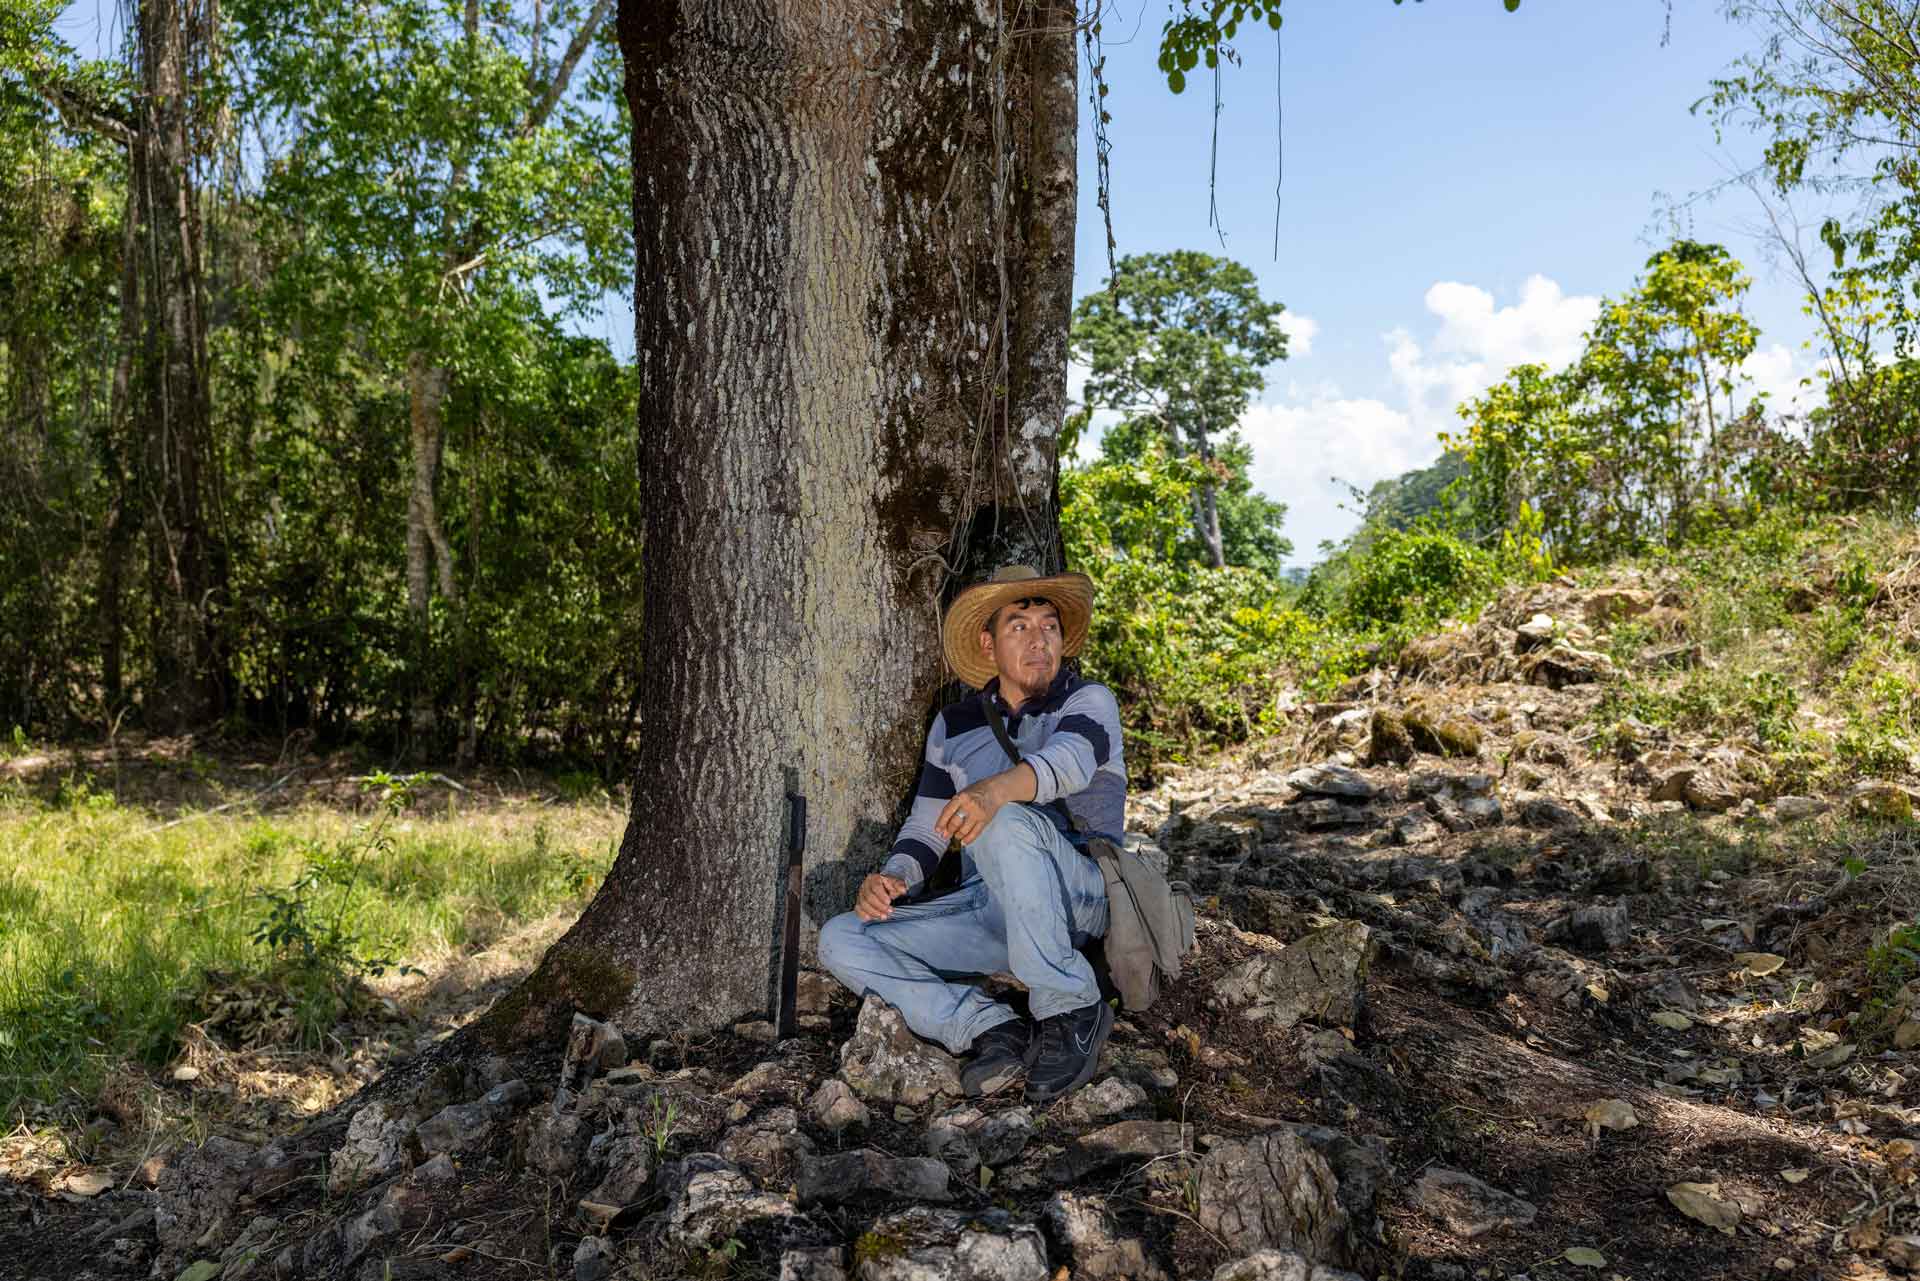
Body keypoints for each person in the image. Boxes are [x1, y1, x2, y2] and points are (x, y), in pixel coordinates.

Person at [817, 564, 1126, 1104]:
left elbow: (1070, 763)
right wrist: (892, 878)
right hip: (990, 907)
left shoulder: (1089, 700)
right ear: (988, 644)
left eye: (1049, 626)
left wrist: (993, 791)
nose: (1039, 641)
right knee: (843, 938)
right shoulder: (953, 724)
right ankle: (989, 1028)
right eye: (1020, 627)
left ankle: (1072, 1006)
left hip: (1082, 893)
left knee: (1001, 815)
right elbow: (927, 827)